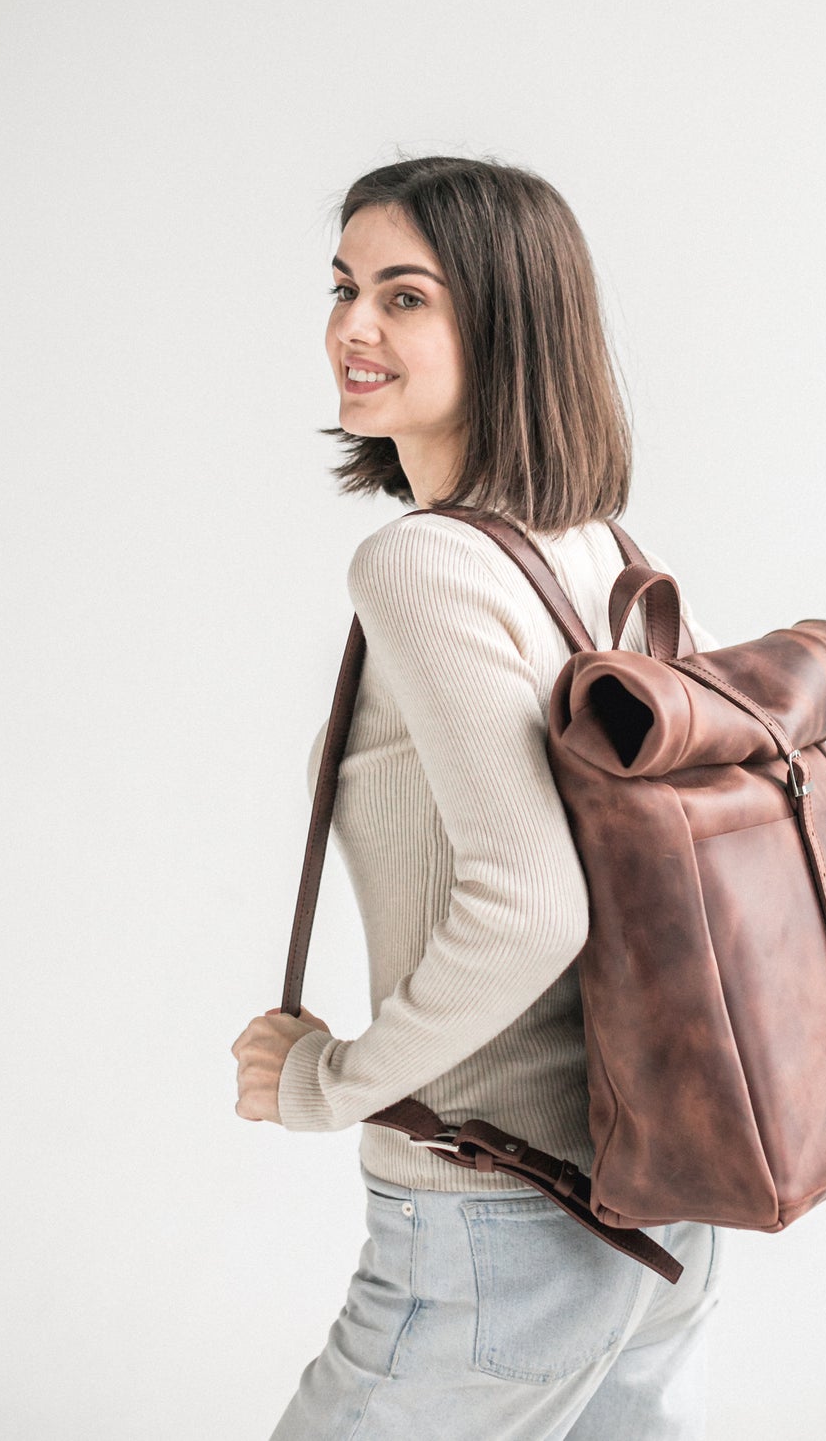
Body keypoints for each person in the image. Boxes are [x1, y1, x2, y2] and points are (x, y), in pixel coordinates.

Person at [231, 154, 723, 1440]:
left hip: (490, 1215)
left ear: (503, 321)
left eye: (406, 297)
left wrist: (327, 1080)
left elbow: (532, 906)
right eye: (344, 288)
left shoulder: (422, 565)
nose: (351, 328)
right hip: (655, 1191)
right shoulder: (611, 553)